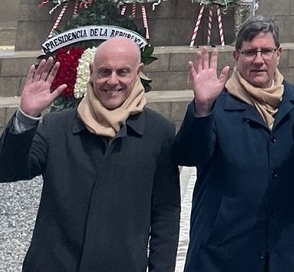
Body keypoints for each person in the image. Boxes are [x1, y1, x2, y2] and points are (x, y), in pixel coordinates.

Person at [0, 37, 180, 272]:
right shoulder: (56, 127)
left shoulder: (159, 132)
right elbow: (8, 170)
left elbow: (165, 215)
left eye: (122, 72)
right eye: (104, 71)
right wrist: (26, 117)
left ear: (138, 73)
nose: (112, 81)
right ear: (92, 72)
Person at [174, 15, 294, 272]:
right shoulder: (215, 104)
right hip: (222, 257)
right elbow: (189, 155)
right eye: (250, 52)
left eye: (266, 51)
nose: (259, 60)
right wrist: (202, 108)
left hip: (283, 257)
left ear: (278, 53)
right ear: (236, 56)